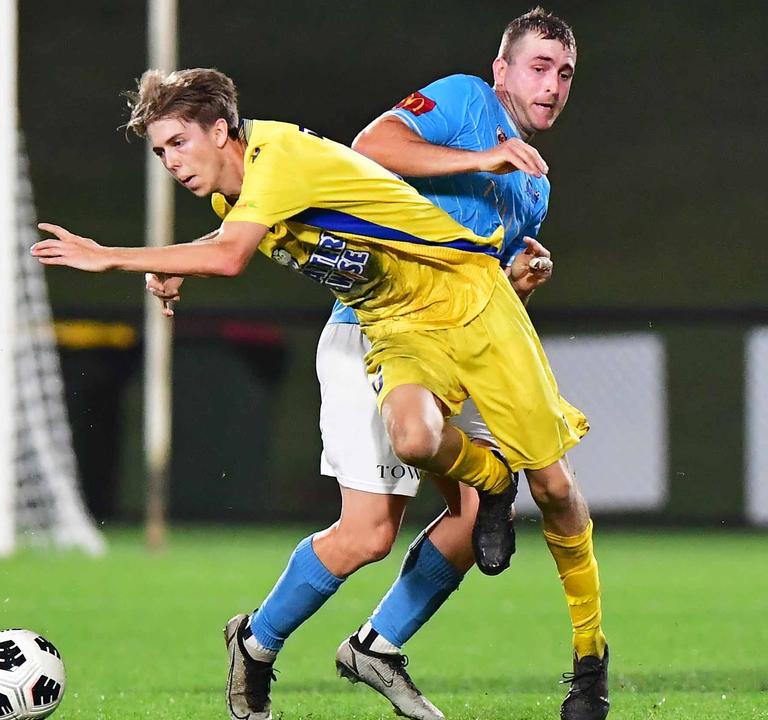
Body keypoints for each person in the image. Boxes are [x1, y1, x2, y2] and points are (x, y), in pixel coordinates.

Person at [31, 65, 604, 720]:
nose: (170, 162)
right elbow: (229, 238)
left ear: (221, 130)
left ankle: (379, 646)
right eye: (161, 151)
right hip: (380, 329)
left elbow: (229, 255)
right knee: (367, 534)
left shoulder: (277, 159)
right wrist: (170, 266)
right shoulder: (239, 189)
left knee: (476, 512)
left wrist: (113, 257)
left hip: (446, 310)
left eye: (178, 144)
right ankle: (257, 640)